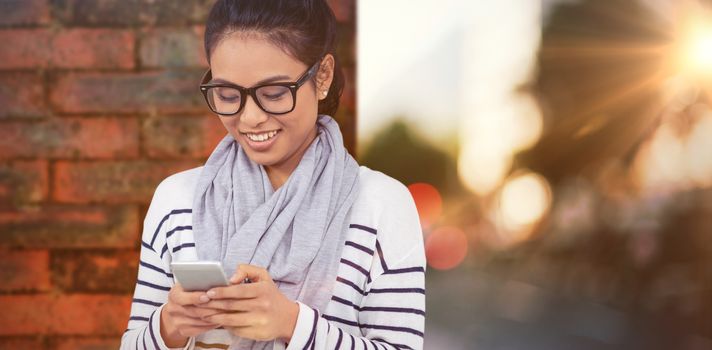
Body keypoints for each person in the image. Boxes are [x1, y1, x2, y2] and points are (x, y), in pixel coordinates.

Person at [120, 0, 426, 349]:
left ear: (322, 76)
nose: (249, 118)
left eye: (275, 93)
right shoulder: (176, 200)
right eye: (227, 93)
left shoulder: (381, 204)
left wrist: (290, 323)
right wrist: (169, 327)